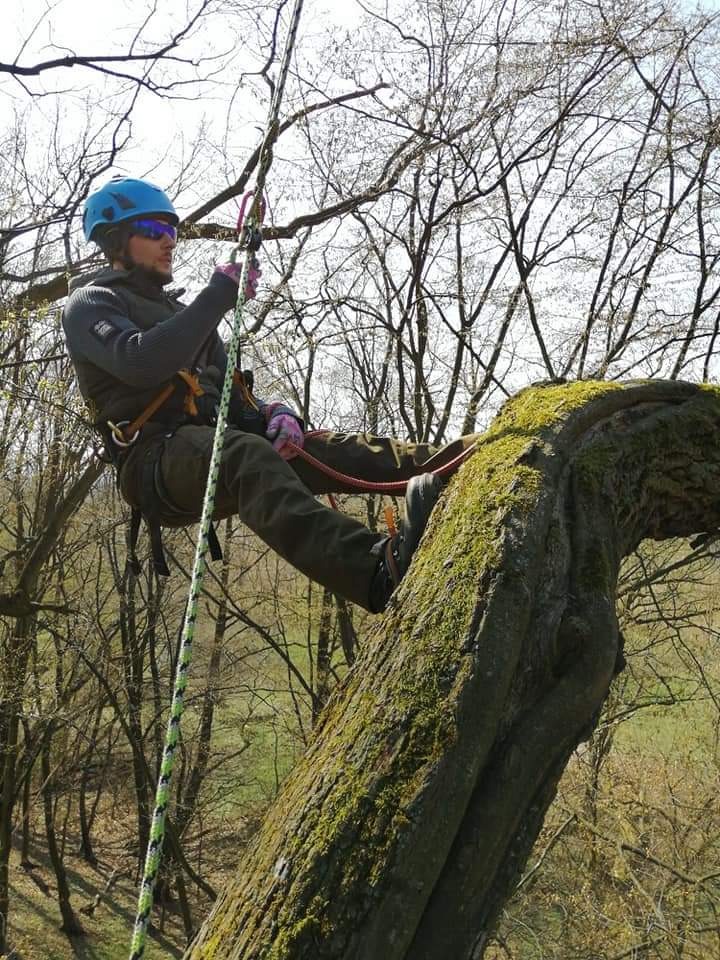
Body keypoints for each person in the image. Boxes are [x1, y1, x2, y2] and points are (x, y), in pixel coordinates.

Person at [63, 177, 471, 612]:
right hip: (154, 463)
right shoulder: (92, 303)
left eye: (173, 231)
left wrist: (278, 414)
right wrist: (217, 296)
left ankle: (459, 461)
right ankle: (371, 571)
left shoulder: (182, 317)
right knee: (244, 455)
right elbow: (140, 361)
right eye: (153, 229)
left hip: (212, 446)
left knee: (314, 448)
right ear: (114, 239)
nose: (169, 241)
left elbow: (236, 404)